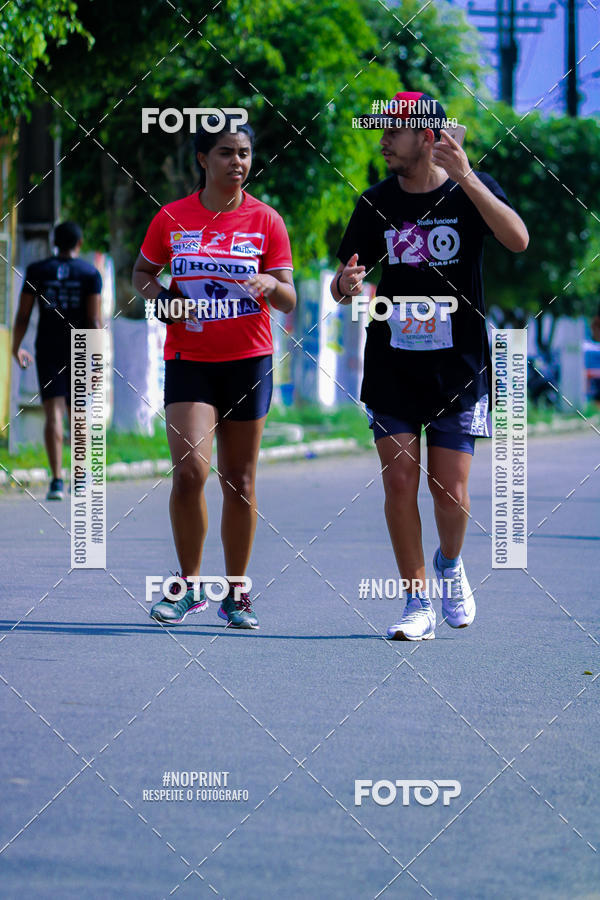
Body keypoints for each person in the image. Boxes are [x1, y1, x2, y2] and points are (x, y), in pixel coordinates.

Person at [331, 91, 529, 641]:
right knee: (399, 481)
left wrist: (467, 177)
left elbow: (517, 240)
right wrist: (345, 286)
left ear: (427, 136)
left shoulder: (471, 193)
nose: (383, 141)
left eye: (393, 131)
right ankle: (416, 601)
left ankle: (449, 563)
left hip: (458, 367)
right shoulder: (375, 203)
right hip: (392, 363)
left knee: (451, 492)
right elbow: (344, 279)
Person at [132, 115, 296, 629]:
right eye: (226, 153)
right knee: (189, 472)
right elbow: (142, 274)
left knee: (240, 481)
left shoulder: (266, 220)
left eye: (244, 153)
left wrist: (271, 283)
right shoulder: (172, 218)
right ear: (203, 159)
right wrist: (162, 301)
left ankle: (237, 593)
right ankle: (188, 586)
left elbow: (291, 297)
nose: (238, 163)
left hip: (249, 361)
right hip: (190, 362)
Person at [12, 222, 103, 500]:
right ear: (80, 242)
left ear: (55, 241)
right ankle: (78, 479)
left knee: (53, 413)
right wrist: (98, 363)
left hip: (47, 348)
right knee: (78, 414)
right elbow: (94, 320)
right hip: (79, 348)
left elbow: (23, 314)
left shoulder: (38, 270)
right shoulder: (90, 273)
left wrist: (15, 347)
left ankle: (56, 481)